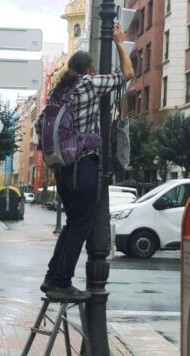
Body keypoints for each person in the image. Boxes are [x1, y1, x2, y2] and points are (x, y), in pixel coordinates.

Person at [41, 22, 134, 301]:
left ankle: (52, 277)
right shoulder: (89, 84)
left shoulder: (59, 92)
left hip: (63, 168)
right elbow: (127, 74)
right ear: (90, 68)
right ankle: (60, 281)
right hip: (84, 166)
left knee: (72, 223)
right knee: (81, 225)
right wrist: (119, 42)